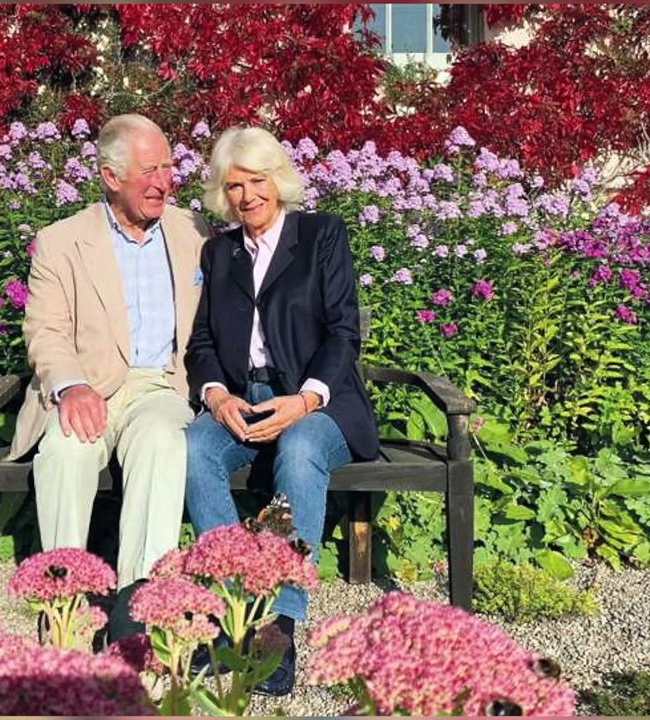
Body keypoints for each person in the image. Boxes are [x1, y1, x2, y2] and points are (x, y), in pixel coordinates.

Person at [184, 127, 380, 696]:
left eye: (257, 181)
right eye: (235, 186)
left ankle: (278, 626)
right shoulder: (219, 252)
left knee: (300, 446)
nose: (248, 196)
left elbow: (343, 331)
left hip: (319, 401)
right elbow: (202, 342)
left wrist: (305, 399)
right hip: (242, 399)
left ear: (278, 180)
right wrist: (216, 394)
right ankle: (233, 612)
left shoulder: (320, 235)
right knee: (193, 448)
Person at [6, 114, 215, 640]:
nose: (163, 182)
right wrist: (71, 385)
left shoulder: (194, 232)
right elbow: (46, 330)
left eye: (167, 167)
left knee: (163, 441)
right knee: (65, 452)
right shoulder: (62, 241)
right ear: (110, 176)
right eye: (149, 171)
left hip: (160, 385)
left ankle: (139, 609)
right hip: (88, 386)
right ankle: (63, 602)